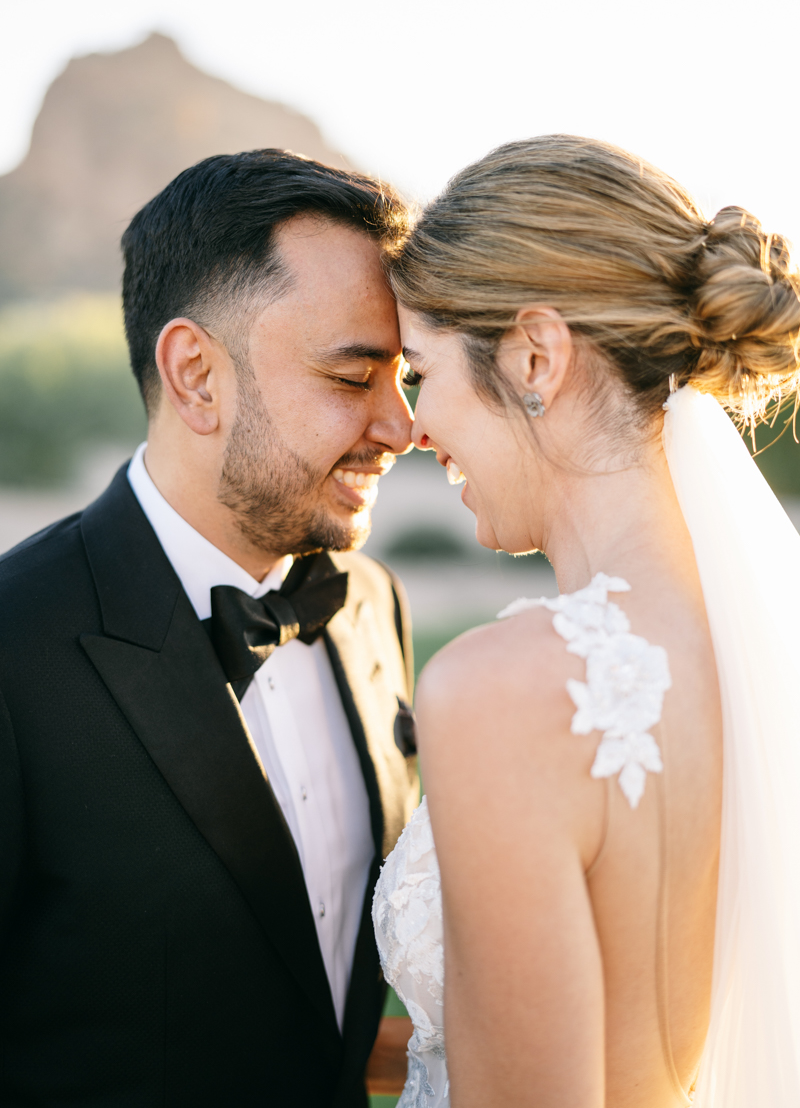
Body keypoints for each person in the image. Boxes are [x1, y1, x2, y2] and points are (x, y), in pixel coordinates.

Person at [373, 135, 800, 1106]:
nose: (413, 428)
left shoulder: (501, 693)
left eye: (422, 371)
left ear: (533, 354)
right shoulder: (755, 646)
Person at [0, 150, 420, 1107]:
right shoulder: (14, 651)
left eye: (407, 379)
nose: (402, 428)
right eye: (355, 375)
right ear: (196, 375)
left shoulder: (372, 604)